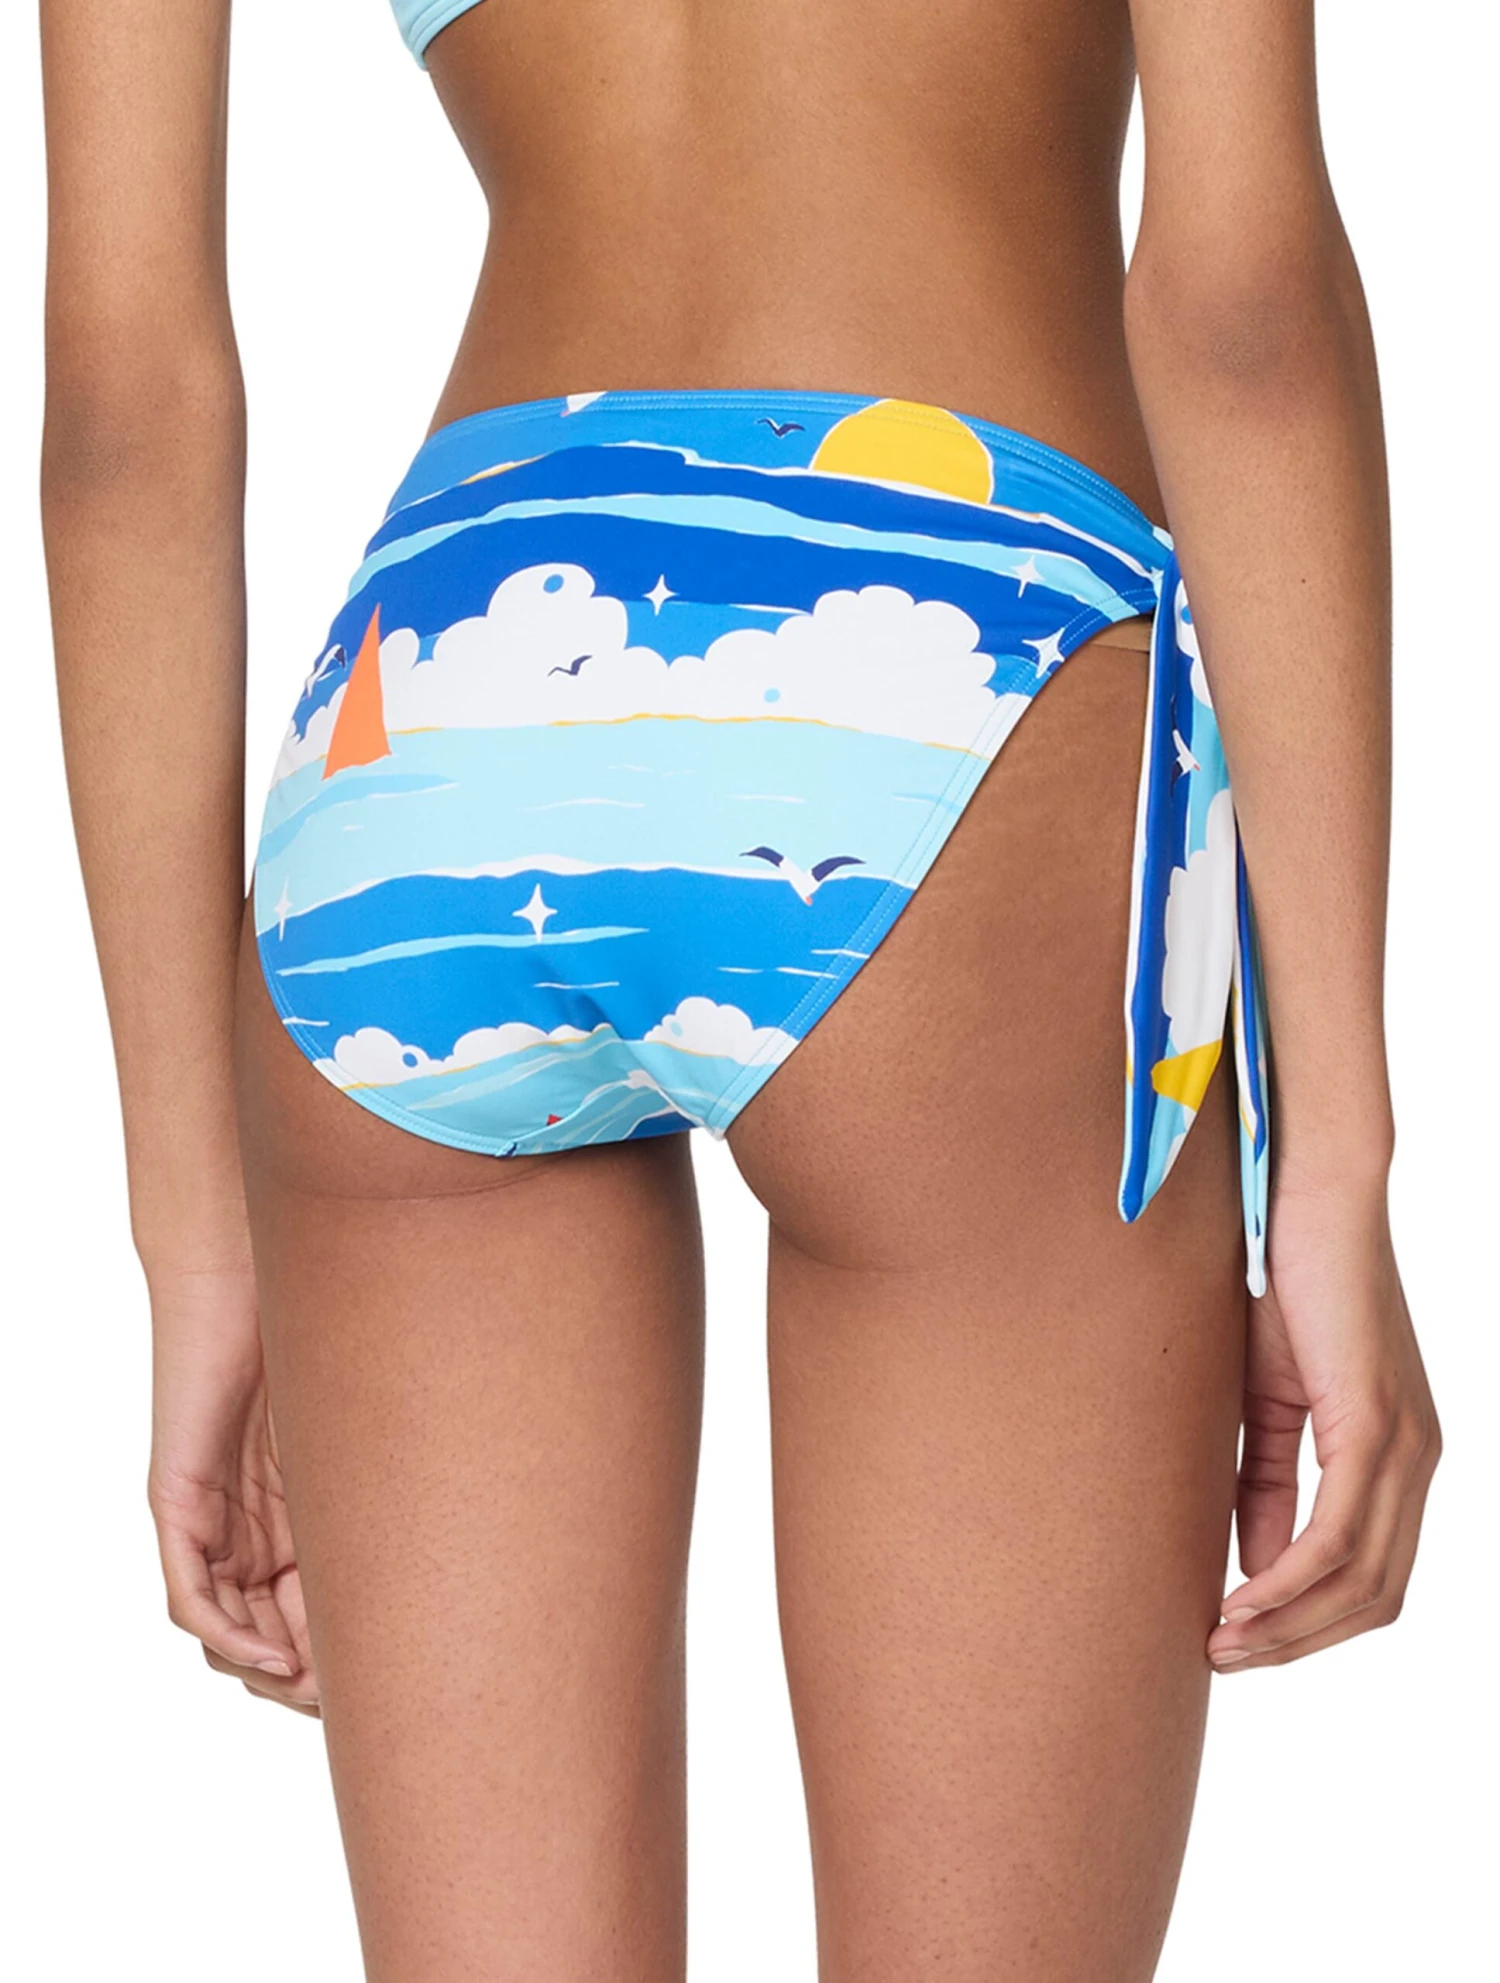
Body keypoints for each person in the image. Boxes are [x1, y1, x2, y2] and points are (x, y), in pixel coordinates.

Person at [39, 1, 1440, 1976]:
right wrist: (1338, 1167)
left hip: (445, 696)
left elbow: (123, 413)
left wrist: (195, 1239)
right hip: (956, 632)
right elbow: (1240, 302)